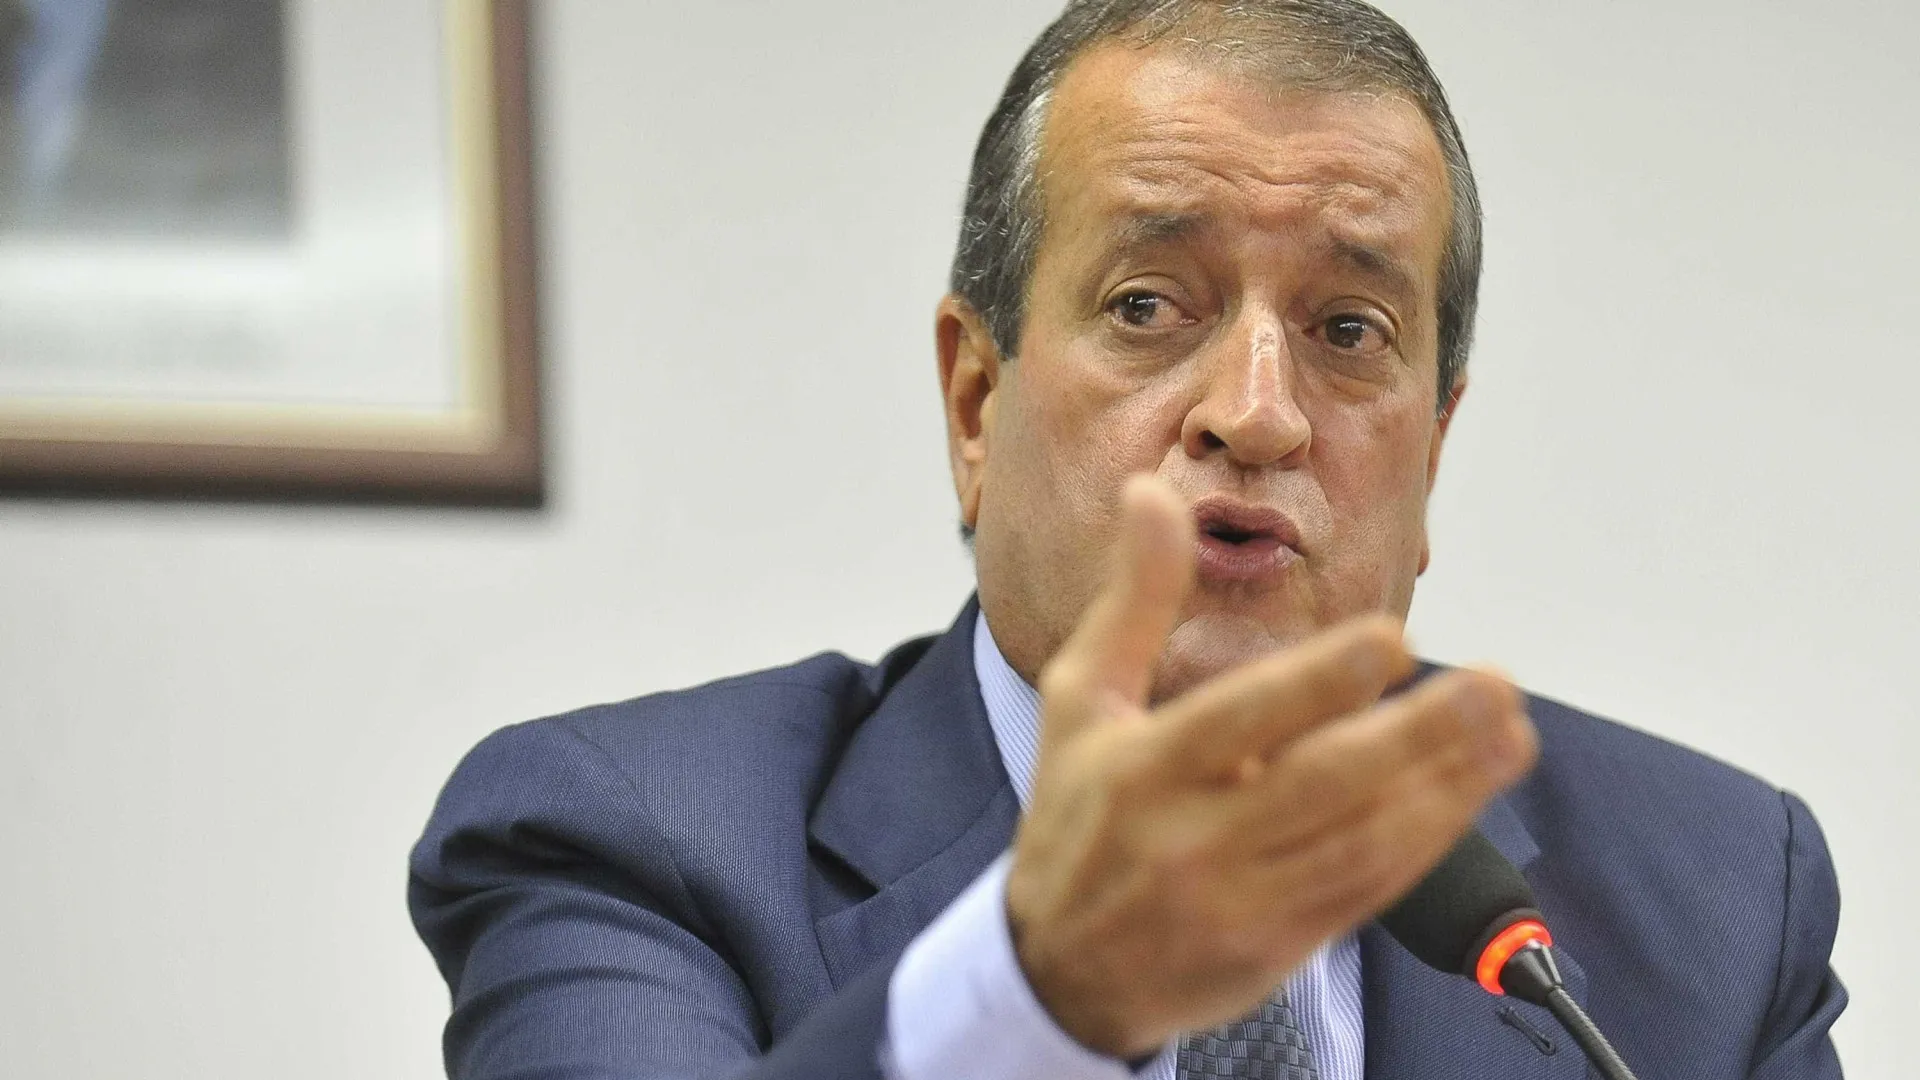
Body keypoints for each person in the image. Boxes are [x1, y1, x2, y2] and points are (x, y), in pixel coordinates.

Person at [409, 2, 1847, 1078]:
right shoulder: (635, 841)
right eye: (1149, 306)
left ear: (1433, 450)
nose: (1258, 413)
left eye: (1350, 331)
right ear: (976, 404)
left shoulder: (1712, 905)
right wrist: (1035, 997)